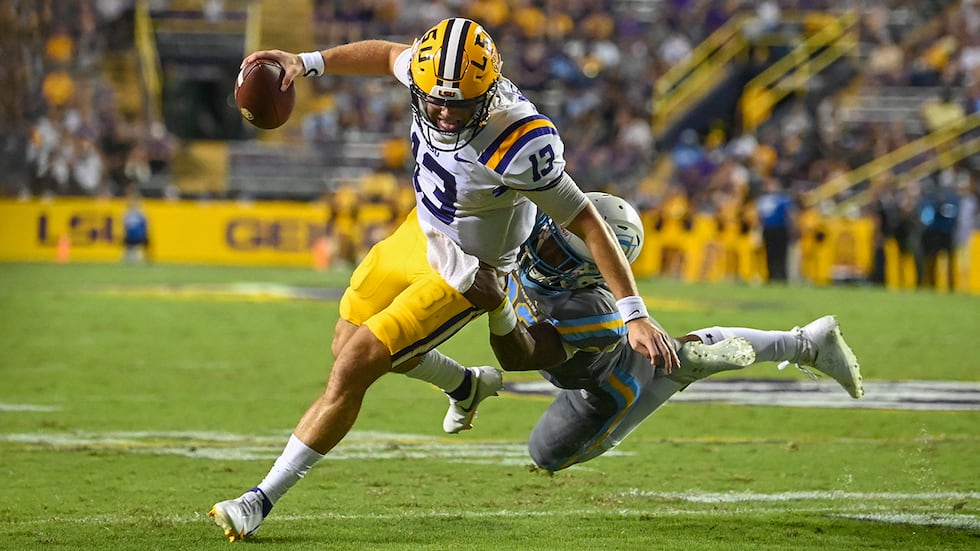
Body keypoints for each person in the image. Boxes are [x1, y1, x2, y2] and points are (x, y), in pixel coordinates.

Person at [209, 18, 679, 542]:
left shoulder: (519, 139)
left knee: (354, 365)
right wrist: (306, 62)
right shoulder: (428, 72)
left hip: (468, 271)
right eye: (434, 100)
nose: (442, 112)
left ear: (487, 92)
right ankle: (465, 384)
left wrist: (633, 313)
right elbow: (386, 53)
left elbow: (587, 220)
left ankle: (260, 498)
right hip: (421, 231)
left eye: (457, 106)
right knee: (343, 341)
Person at [451, 192, 863, 471]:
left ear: (592, 270)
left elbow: (519, 356)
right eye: (548, 234)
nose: (542, 247)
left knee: (545, 456)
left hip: (606, 386)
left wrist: (497, 304)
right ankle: (802, 343)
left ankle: (696, 362)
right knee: (672, 356)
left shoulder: (591, 309)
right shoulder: (539, 230)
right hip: (625, 343)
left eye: (558, 249)